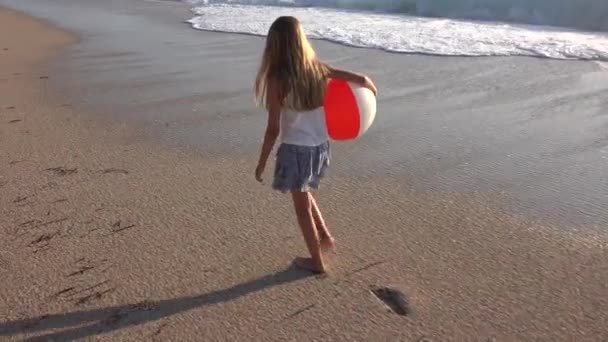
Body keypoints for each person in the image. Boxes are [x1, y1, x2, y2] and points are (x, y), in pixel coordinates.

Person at [253, 16, 378, 274]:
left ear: (274, 46)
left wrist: (262, 162)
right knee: (305, 190)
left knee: (301, 208)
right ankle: (325, 237)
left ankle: (317, 262)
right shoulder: (318, 69)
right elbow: (362, 79)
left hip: (295, 149)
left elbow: (273, 128)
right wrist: (372, 93)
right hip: (320, 146)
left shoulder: (277, 79)